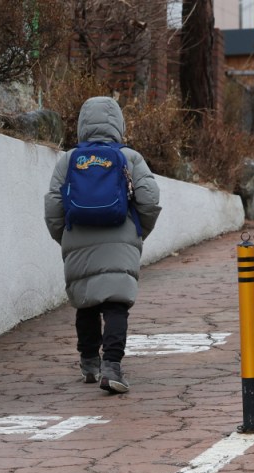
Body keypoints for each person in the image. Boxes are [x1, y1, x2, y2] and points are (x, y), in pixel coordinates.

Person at [44, 96, 161, 393]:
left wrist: (66, 238)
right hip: (120, 237)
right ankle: (112, 366)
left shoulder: (68, 160)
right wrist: (137, 232)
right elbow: (149, 199)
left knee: (86, 302)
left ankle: (88, 363)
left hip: (78, 237)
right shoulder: (130, 158)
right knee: (116, 304)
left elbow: (54, 207)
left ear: (82, 124)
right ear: (118, 125)